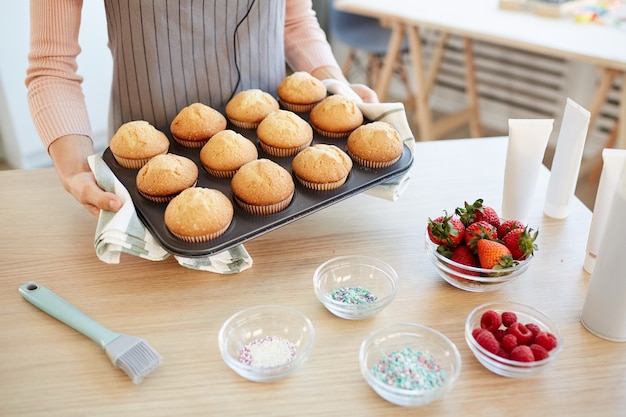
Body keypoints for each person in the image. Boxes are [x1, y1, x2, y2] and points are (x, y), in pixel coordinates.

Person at [26, 0, 377, 217]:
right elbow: (52, 64)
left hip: (273, 157)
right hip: (149, 165)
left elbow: (294, 21)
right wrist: (75, 167)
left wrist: (334, 84)